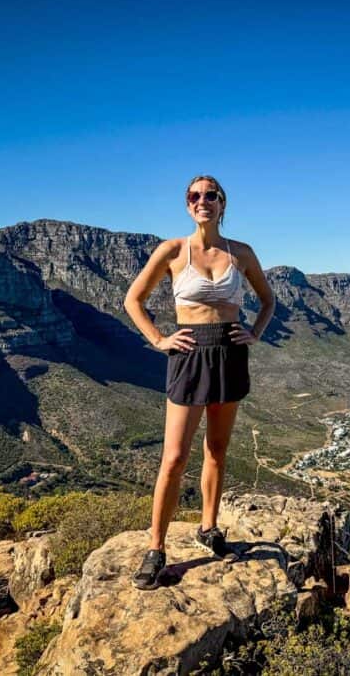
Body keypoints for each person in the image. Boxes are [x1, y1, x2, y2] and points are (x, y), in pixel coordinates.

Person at [123, 175, 275, 590]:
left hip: (229, 352)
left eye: (211, 195)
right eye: (195, 196)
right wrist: (158, 339)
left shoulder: (240, 252)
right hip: (188, 354)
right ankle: (155, 548)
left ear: (223, 203)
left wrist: (255, 333)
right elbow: (132, 300)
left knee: (217, 451)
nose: (202, 201)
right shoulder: (172, 251)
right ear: (187, 205)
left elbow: (268, 300)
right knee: (173, 457)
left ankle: (209, 528)